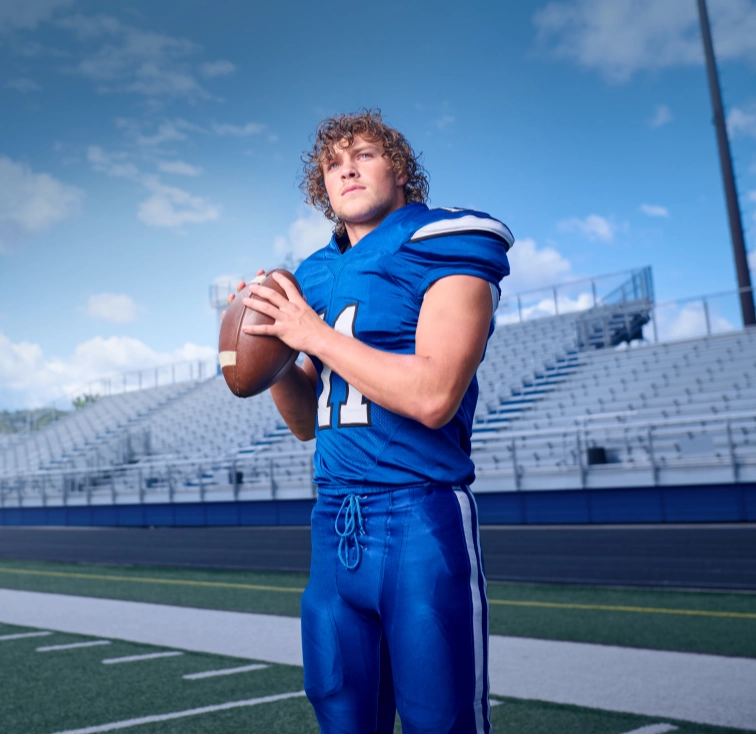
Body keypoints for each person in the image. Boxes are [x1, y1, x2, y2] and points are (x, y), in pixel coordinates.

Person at [238, 109, 512, 734]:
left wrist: (308, 331)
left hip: (417, 515)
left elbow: (435, 394)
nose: (347, 169)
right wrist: (275, 352)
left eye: (363, 154)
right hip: (333, 522)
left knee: (439, 720)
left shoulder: (443, 242)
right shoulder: (314, 273)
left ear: (402, 170)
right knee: (340, 711)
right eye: (333, 164)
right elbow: (308, 422)